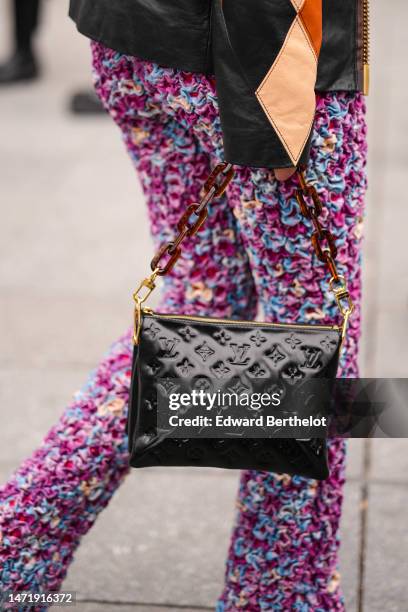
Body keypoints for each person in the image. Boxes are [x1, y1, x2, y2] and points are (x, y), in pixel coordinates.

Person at [0, 1, 368, 609]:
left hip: (137, 38)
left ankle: (18, 543)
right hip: (263, 57)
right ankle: (277, 594)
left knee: (202, 306)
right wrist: (273, 117)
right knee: (310, 337)